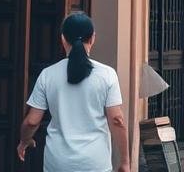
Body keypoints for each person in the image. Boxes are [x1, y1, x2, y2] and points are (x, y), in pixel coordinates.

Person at [17, 13, 129, 172]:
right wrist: (125, 162)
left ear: (63, 39)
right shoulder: (107, 75)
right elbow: (117, 120)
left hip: (58, 163)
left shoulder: (47, 75)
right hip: (95, 163)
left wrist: (24, 140)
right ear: (92, 38)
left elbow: (32, 122)